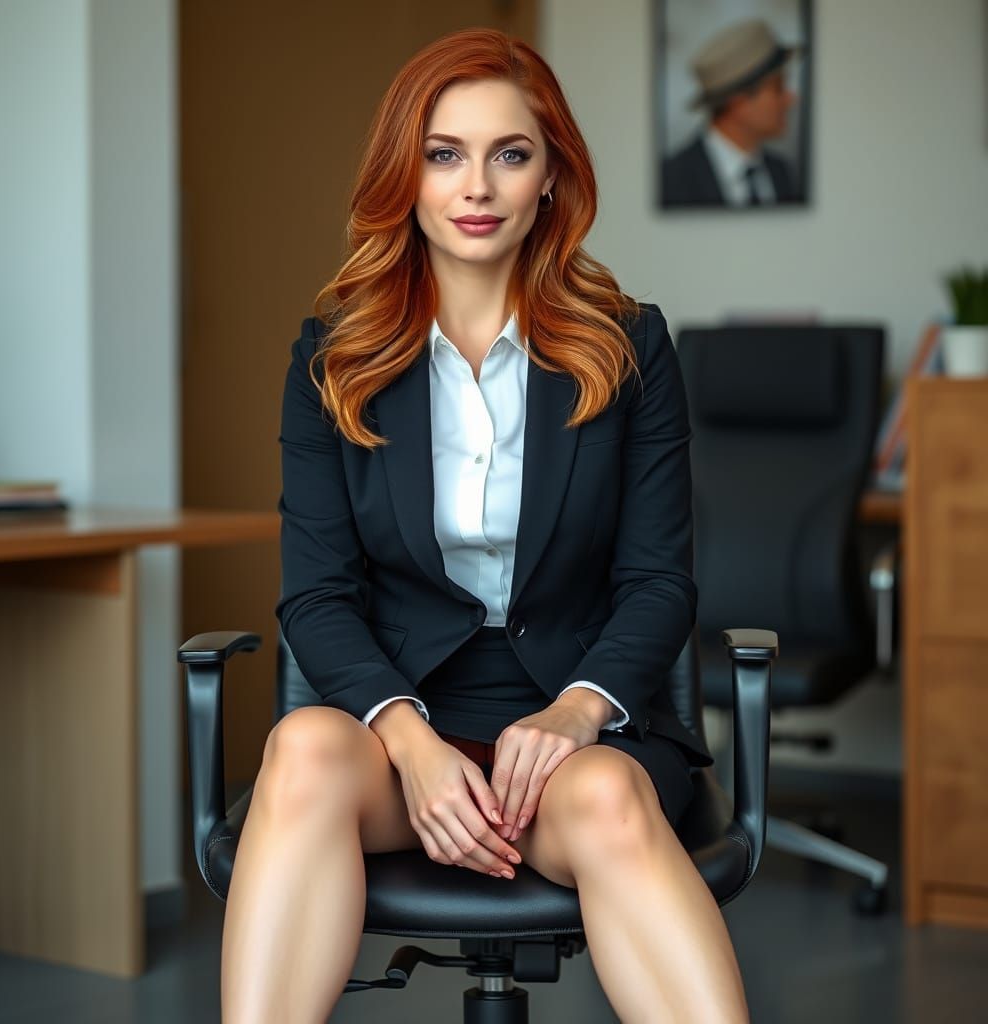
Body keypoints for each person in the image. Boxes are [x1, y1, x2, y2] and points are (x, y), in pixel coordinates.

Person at [221, 27, 749, 1024]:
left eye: (510, 153)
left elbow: (656, 582)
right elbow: (318, 594)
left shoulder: (628, 346)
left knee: (604, 796)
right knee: (300, 753)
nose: (478, 186)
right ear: (405, 174)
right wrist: (410, 741)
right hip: (398, 723)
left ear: (551, 175)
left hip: (576, 728)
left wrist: (577, 711)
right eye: (444, 152)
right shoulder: (332, 357)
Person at [661, 18, 804, 208]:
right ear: (739, 101)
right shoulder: (672, 180)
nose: (791, 99)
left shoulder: (782, 173)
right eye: (777, 89)